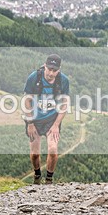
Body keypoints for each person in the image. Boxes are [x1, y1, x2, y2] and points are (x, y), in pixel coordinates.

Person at [22, 53, 70, 184]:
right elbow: (26, 101)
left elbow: (64, 105)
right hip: (34, 119)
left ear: (59, 70)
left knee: (53, 151)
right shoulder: (34, 77)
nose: (51, 73)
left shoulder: (63, 81)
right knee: (35, 154)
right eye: (49, 69)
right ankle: (37, 175)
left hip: (51, 120)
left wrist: (56, 125)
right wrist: (30, 122)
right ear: (44, 66)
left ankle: (49, 180)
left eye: (54, 70)